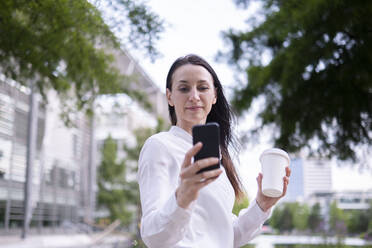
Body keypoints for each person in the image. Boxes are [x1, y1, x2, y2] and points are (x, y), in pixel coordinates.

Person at [137, 54, 291, 247]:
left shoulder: (217, 158)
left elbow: (225, 237)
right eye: (184, 88)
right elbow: (153, 235)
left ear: (214, 95)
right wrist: (183, 196)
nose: (194, 96)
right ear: (169, 96)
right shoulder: (159, 146)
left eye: (202, 88)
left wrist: (262, 205)